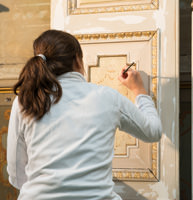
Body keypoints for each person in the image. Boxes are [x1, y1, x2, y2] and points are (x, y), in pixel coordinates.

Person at [6, 30, 162, 200]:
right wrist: (139, 90)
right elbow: (152, 131)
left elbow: (16, 173)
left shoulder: (24, 101)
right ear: (77, 60)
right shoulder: (107, 97)